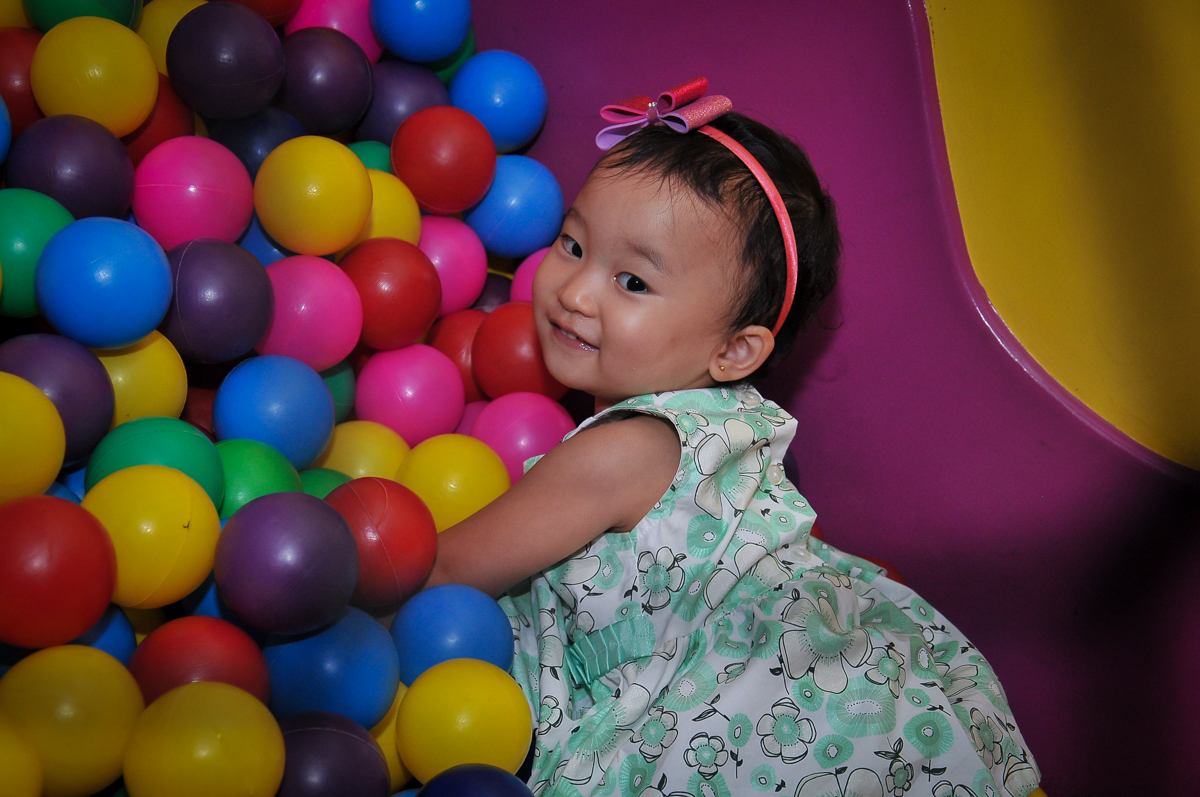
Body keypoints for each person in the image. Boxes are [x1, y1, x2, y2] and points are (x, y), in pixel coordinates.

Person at [425, 79, 1040, 797]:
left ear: (736, 351)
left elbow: (446, 570)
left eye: (631, 280)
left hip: (767, 716)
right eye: (572, 242)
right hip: (873, 687)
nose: (574, 290)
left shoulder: (624, 449)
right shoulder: (727, 424)